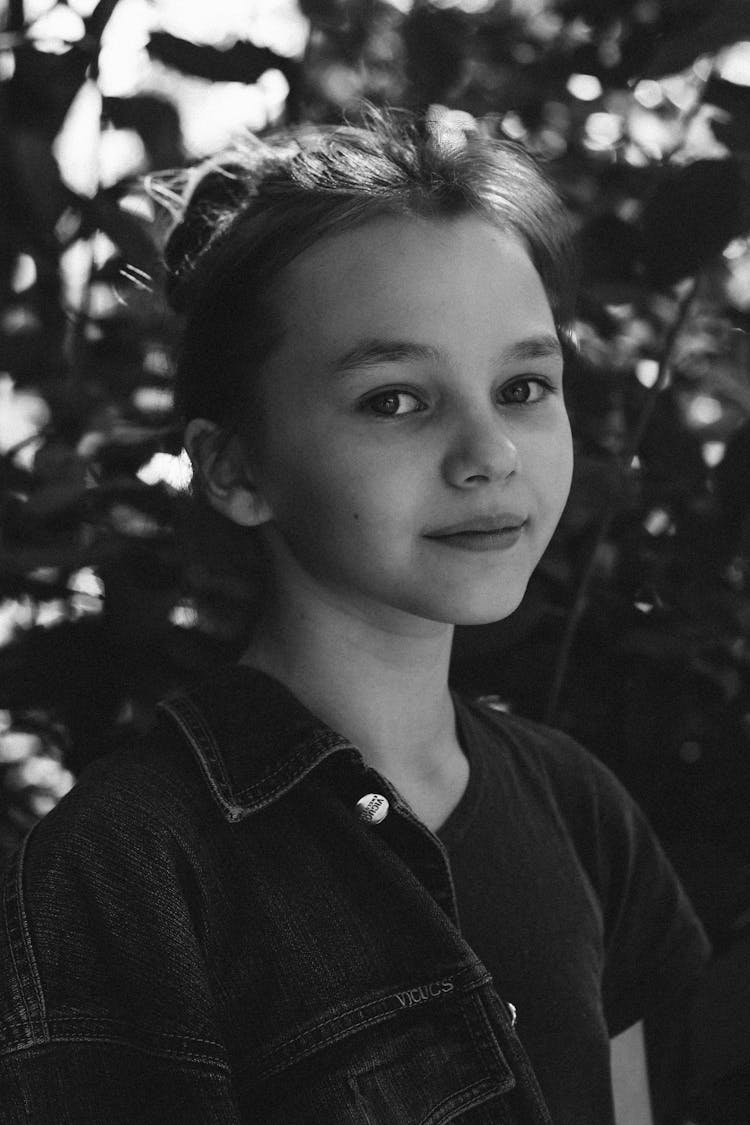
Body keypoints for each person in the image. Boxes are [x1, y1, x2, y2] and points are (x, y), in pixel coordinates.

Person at [0, 106, 709, 1124]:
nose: (489, 453)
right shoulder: (129, 866)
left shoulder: (582, 811)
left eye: (522, 385)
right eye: (395, 399)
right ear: (234, 467)